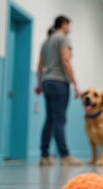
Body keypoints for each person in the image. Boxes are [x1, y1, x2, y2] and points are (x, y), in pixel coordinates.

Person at [35, 16, 82, 166]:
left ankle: (44, 156)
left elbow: (40, 66)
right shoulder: (63, 39)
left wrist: (39, 84)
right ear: (64, 24)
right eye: (69, 25)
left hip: (47, 81)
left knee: (50, 119)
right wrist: (75, 84)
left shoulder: (46, 41)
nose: (70, 29)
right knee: (59, 119)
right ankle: (65, 156)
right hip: (59, 82)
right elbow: (65, 61)